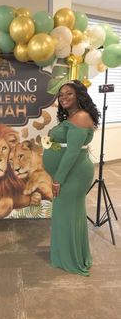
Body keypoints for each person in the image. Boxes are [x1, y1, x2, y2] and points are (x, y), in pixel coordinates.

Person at [42, 80, 100, 276]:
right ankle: (70, 253)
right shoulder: (73, 116)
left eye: (69, 94)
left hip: (73, 174)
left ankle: (71, 258)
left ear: (79, 96)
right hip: (71, 173)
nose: (64, 98)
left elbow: (72, 153)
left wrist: (57, 179)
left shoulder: (81, 117)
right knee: (69, 214)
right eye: (61, 95)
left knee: (66, 213)